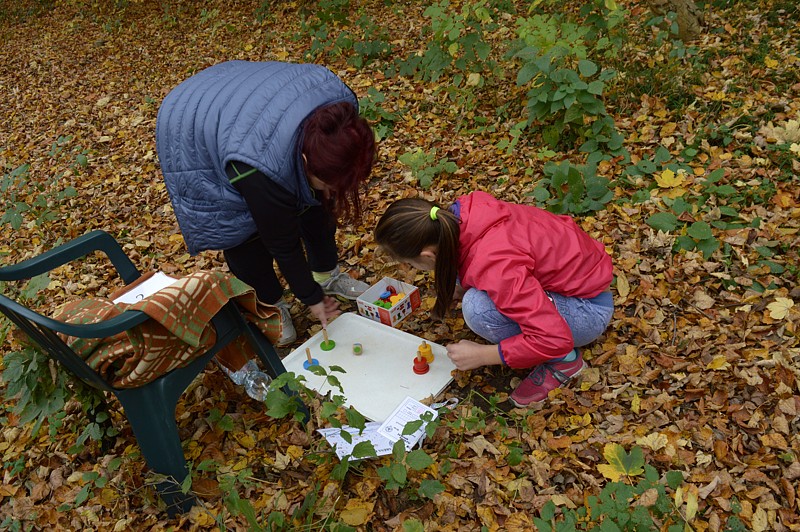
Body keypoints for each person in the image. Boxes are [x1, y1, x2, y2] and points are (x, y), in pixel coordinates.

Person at [156, 60, 376, 354]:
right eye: (331, 182)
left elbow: (319, 194)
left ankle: (326, 274)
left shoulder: (338, 122)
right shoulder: (256, 168)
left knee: (317, 205)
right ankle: (271, 305)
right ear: (306, 160)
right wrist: (312, 298)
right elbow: (281, 241)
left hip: (254, 101)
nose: (340, 191)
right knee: (244, 234)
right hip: (192, 122)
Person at [374, 191, 614, 407]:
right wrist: (461, 284)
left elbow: (552, 337)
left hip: (588, 310)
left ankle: (565, 362)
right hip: (581, 284)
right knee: (476, 296)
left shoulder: (496, 264)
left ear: (427, 255)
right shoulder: (467, 213)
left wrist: (483, 355)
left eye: (412, 264)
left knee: (478, 309)